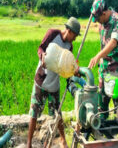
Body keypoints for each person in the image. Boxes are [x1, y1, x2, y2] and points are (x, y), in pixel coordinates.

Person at [27, 17, 81, 148]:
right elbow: (40, 48)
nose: (75, 39)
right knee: (34, 113)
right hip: (42, 80)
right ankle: (28, 143)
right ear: (69, 30)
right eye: (74, 35)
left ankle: (63, 140)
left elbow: (66, 68)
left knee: (58, 114)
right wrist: (42, 56)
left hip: (54, 84)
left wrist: (74, 71)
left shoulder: (70, 47)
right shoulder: (52, 34)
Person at [88, 0, 118, 119]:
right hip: (104, 70)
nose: (97, 22)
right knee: (102, 107)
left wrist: (97, 56)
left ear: (104, 13)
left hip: (117, 71)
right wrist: (100, 61)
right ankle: (102, 133)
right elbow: (103, 44)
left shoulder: (117, 19)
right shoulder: (101, 24)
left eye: (98, 18)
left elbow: (113, 42)